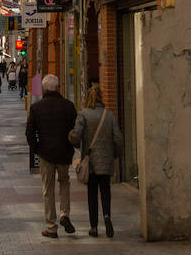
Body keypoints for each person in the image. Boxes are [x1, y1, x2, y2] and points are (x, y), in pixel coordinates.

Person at [25, 75, 77, 238]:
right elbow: (75, 131)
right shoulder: (69, 106)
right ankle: (65, 214)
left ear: (44, 89)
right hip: (64, 152)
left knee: (48, 189)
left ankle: (51, 226)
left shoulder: (37, 108)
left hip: (46, 153)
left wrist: (37, 148)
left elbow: (29, 132)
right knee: (64, 182)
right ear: (58, 88)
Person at [69, 84, 123, 239]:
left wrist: (70, 137)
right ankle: (107, 216)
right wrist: (115, 155)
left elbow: (76, 136)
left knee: (92, 193)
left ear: (88, 98)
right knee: (105, 190)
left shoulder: (83, 114)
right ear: (101, 97)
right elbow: (118, 138)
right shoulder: (109, 115)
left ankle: (93, 226)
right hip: (105, 160)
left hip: (90, 161)